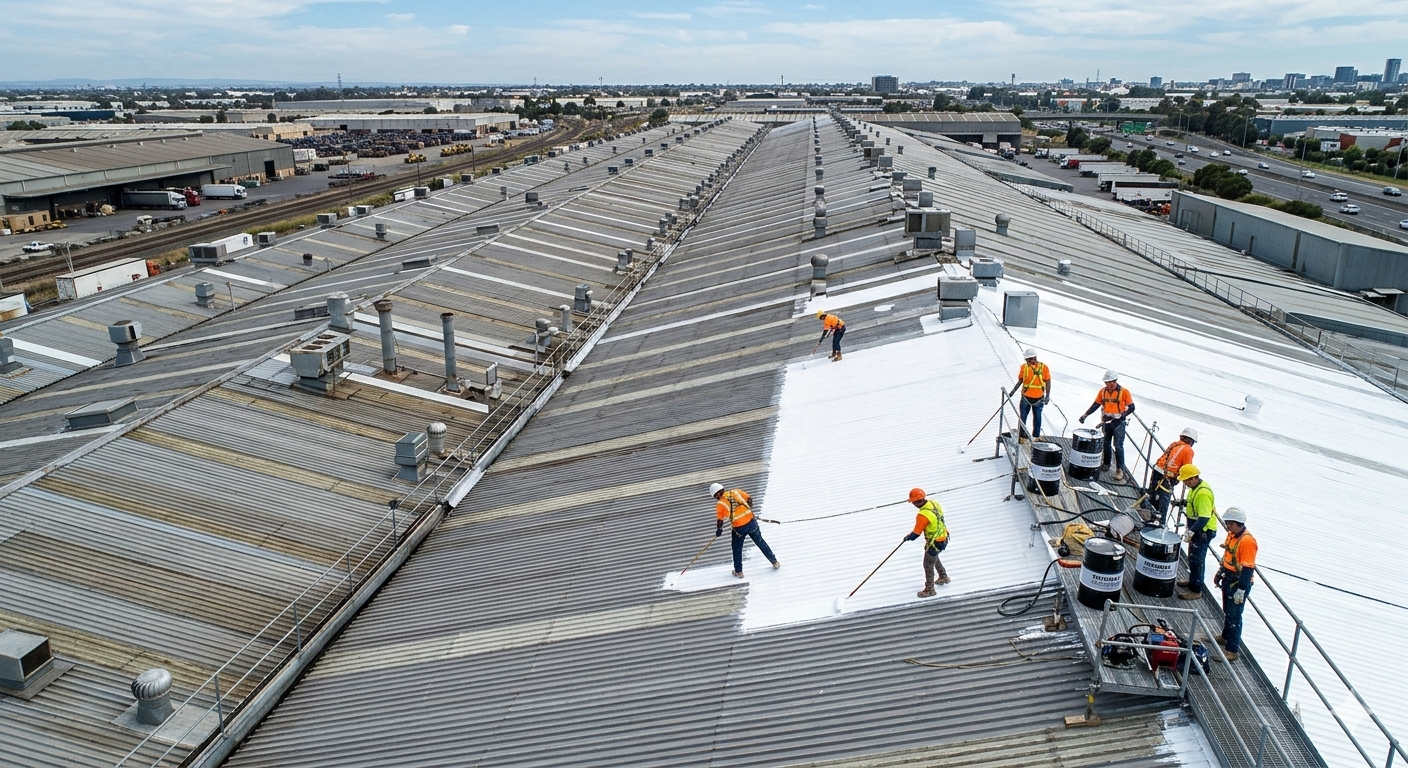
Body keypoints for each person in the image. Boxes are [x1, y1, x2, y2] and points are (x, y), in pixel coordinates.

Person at [1213, 507, 1257, 661]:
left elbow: (1248, 568)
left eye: (1230, 524)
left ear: (1238, 524)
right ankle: (1225, 636)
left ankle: (1232, 650)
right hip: (1228, 577)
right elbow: (1227, 556)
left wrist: (1242, 589)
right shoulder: (1232, 535)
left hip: (1238, 582)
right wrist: (1219, 573)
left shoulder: (1247, 541)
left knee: (1235, 615)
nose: (1227, 527)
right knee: (1228, 610)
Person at [711, 482, 779, 578]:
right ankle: (774, 562)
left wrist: (719, 530)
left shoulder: (720, 504)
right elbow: (750, 500)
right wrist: (747, 512)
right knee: (760, 542)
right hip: (752, 523)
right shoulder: (736, 491)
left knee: (737, 549)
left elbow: (720, 520)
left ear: (716, 495)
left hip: (739, 529)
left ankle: (739, 572)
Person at [1078, 370, 1135, 481]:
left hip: (1119, 423)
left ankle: (1119, 469)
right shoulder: (1103, 392)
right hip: (1106, 422)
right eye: (1107, 383)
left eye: (1111, 382)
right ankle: (1106, 464)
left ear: (1115, 381)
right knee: (1106, 443)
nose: (1109, 385)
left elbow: (1132, 407)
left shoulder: (1124, 392)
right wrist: (1085, 415)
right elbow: (1096, 404)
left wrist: (1124, 415)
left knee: (1118, 446)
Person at [1175, 465, 1217, 600]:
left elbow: (1204, 517)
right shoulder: (1195, 488)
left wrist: (1191, 531)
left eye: (1187, 480)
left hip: (1203, 531)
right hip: (1197, 529)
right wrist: (1183, 502)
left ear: (1194, 478)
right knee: (1192, 558)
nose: (1185, 483)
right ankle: (1193, 581)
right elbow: (1193, 502)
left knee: (1197, 560)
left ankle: (1196, 590)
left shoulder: (1203, 493)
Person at [903, 488, 950, 597]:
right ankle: (943, 577)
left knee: (928, 564)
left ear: (916, 501)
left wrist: (907, 538)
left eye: (914, 502)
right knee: (933, 557)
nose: (913, 504)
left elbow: (915, 534)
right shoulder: (934, 504)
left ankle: (930, 589)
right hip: (943, 537)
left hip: (935, 542)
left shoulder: (923, 515)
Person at [1147, 428, 1197, 520]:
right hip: (1168, 477)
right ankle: (1159, 523)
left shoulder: (1174, 445)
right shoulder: (1188, 450)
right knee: (1164, 500)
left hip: (1157, 471)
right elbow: (1187, 468)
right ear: (1191, 441)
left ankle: (1149, 516)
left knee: (1153, 496)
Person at [1015, 349, 1051, 441]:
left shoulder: (1026, 367)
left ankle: (1024, 436)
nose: (1027, 361)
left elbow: (1020, 381)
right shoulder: (1043, 367)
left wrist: (1047, 396)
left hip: (1028, 398)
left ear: (1031, 358)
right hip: (1036, 398)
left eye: (1027, 359)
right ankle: (1034, 436)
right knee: (1033, 416)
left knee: (1026, 416)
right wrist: (1047, 396)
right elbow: (1047, 381)